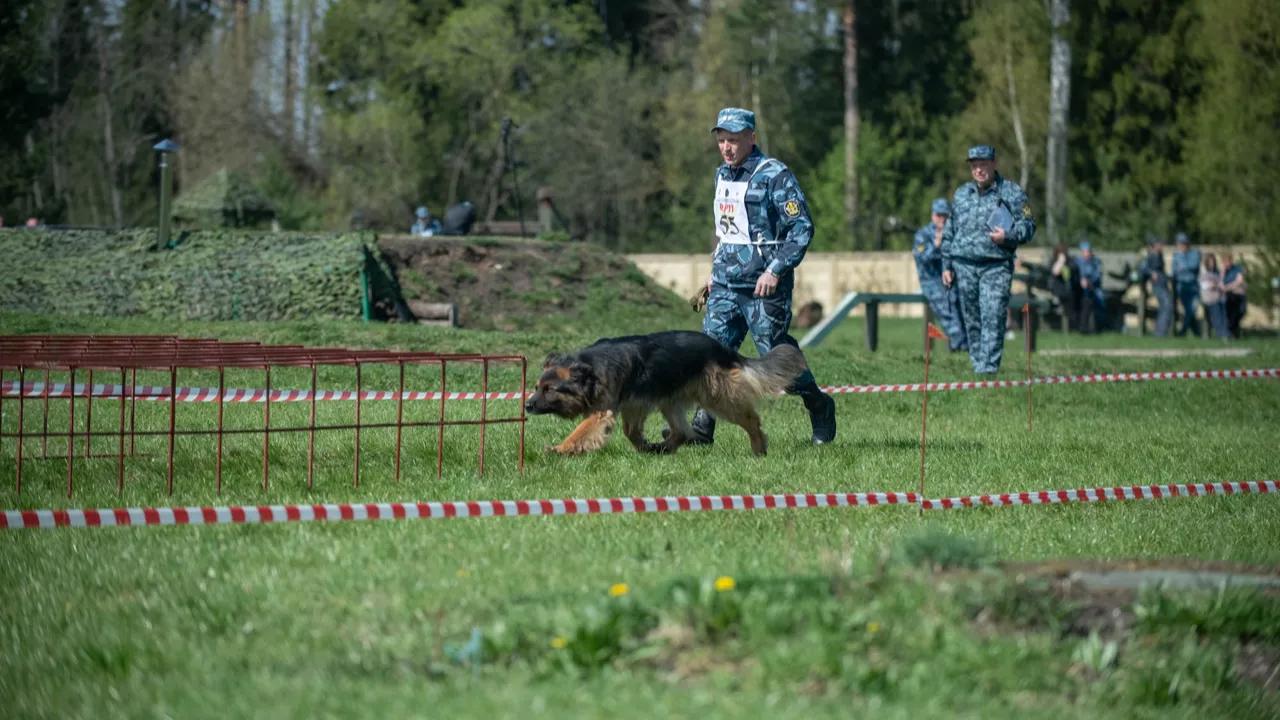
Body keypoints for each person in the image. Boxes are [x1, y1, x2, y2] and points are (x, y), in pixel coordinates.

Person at [675, 107, 836, 447]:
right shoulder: (723, 175)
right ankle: (702, 428)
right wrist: (713, 269)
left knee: (776, 361)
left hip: (764, 287)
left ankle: (818, 404)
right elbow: (726, 231)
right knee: (709, 356)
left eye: (733, 140)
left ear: (751, 137)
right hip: (725, 283)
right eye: (721, 140)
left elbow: (801, 229)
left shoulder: (774, 174)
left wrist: (775, 270)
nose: (726, 147)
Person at [940, 145, 1037, 375]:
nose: (979, 170)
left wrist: (1008, 236)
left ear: (994, 164)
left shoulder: (1012, 192)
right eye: (974, 166)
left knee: (993, 317)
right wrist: (946, 265)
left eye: (983, 165)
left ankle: (988, 371)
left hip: (996, 266)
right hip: (964, 266)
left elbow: (1029, 225)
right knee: (972, 321)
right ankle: (978, 368)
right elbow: (949, 231)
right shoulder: (962, 194)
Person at [912, 198, 967, 351]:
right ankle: (960, 350)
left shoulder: (954, 234)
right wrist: (936, 245)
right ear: (932, 215)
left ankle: (967, 351)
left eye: (945, 216)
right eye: (939, 215)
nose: (942, 219)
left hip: (952, 282)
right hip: (932, 283)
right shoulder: (922, 235)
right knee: (952, 321)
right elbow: (921, 258)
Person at [1140, 235, 1174, 337]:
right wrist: (1152, 273)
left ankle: (1161, 331)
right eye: (1159, 244)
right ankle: (1160, 332)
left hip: (1162, 283)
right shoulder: (1151, 256)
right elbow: (1143, 268)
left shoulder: (1159, 256)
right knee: (1166, 306)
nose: (1161, 246)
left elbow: (1161, 271)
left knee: (1166, 307)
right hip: (1157, 285)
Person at [1171, 231, 1202, 337]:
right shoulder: (1176, 256)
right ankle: (1198, 333)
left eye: (1182, 243)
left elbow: (1193, 266)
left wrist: (1182, 267)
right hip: (1182, 287)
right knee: (1189, 310)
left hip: (1193, 286)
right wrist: (1184, 268)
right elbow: (1175, 271)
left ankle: (1183, 331)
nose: (1180, 246)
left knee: (1192, 309)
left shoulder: (1195, 253)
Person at [1047, 244, 1079, 331]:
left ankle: (1075, 324)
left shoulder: (1071, 262)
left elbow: (1074, 274)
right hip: (1058, 290)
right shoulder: (1053, 262)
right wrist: (1061, 262)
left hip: (1071, 291)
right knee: (1067, 298)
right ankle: (1072, 325)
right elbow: (1055, 272)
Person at [1076, 239, 1105, 333]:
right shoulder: (1078, 261)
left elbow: (1097, 275)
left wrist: (1089, 282)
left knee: (1099, 302)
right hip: (1080, 290)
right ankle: (1083, 328)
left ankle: (1097, 328)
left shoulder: (1096, 262)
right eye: (1084, 251)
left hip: (1094, 288)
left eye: (1088, 251)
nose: (1086, 253)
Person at [1199, 253, 1230, 339]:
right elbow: (1206, 285)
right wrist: (1216, 285)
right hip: (1209, 299)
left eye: (1213, 261)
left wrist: (1222, 274)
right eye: (1210, 262)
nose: (1212, 263)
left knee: (1223, 314)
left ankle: (1224, 333)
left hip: (1218, 297)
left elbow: (1220, 284)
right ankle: (1222, 334)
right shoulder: (1204, 272)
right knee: (1216, 316)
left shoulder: (1216, 272)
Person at [1221, 253, 1247, 338]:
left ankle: (1234, 330)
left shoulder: (1237, 269)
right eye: (1225, 261)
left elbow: (1239, 281)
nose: (1227, 263)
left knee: (1241, 311)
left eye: (1228, 261)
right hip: (1229, 296)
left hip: (1239, 295)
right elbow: (1220, 283)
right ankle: (1232, 333)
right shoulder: (1223, 271)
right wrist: (1223, 272)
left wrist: (1227, 287)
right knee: (1230, 315)